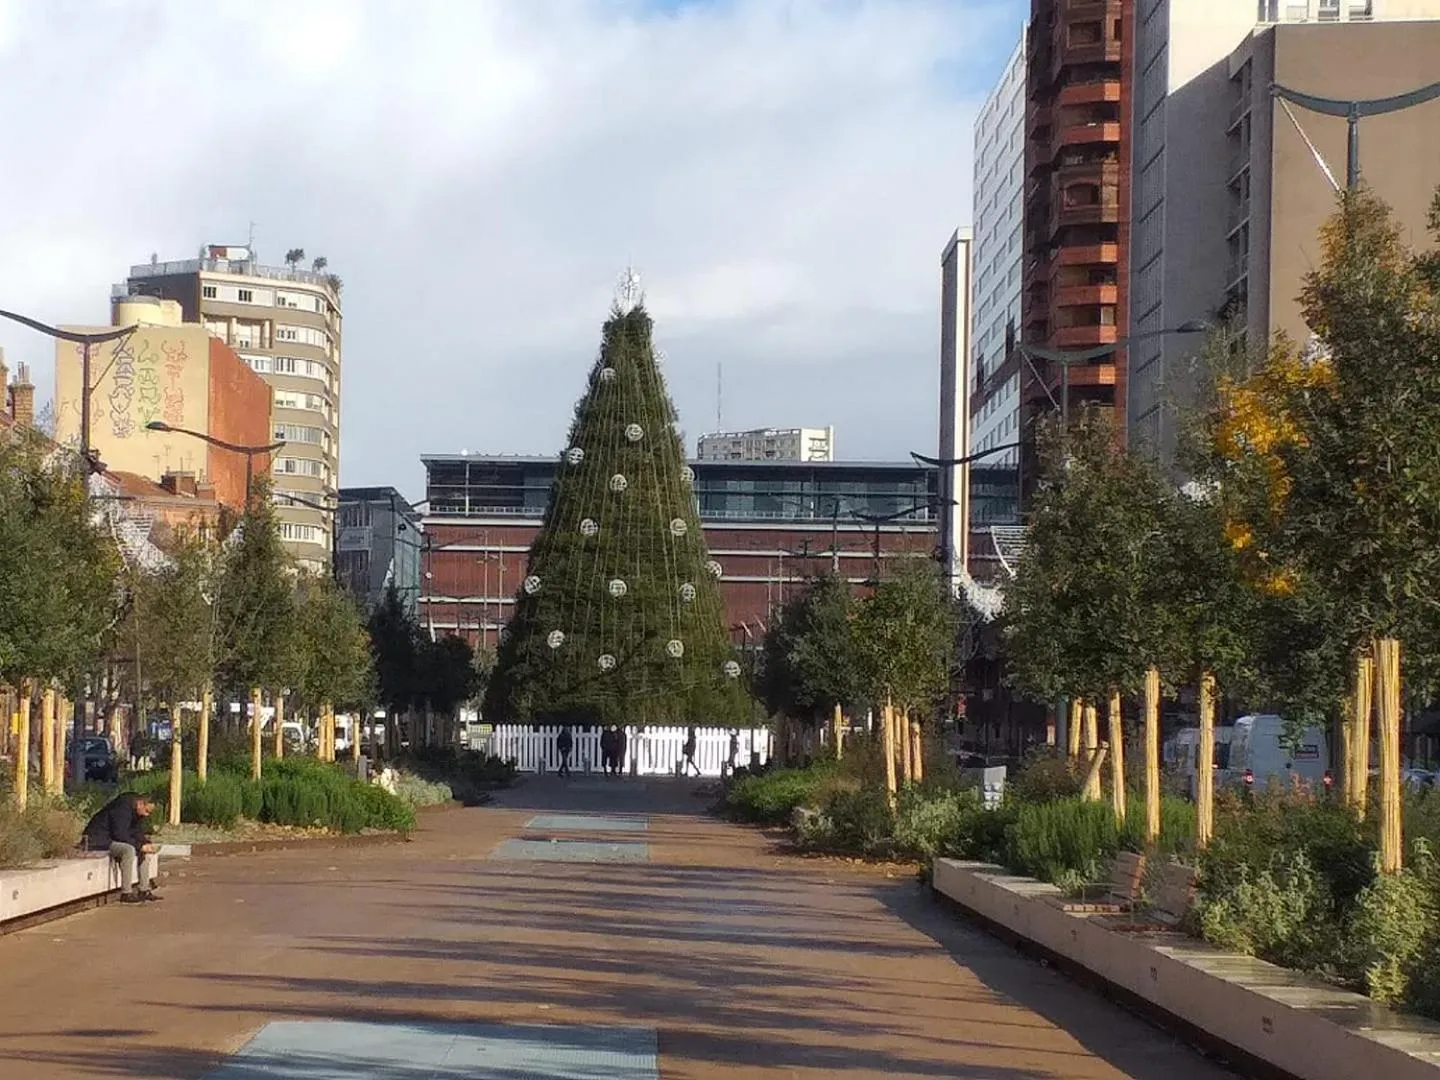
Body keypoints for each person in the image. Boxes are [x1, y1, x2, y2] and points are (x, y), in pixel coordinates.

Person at [82, 792, 160, 903]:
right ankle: (126, 892)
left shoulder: (137, 813)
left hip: (112, 839)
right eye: (146, 811)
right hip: (99, 840)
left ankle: (144, 889)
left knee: (145, 850)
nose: (147, 815)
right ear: (140, 804)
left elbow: (137, 831)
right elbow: (120, 834)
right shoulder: (121, 808)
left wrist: (145, 843)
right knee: (129, 850)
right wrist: (139, 846)